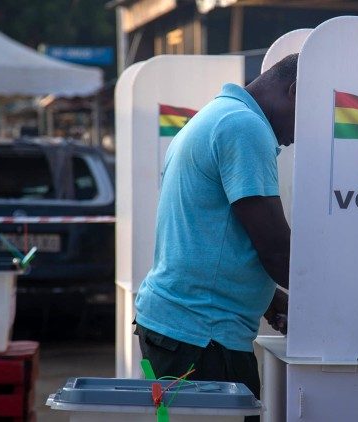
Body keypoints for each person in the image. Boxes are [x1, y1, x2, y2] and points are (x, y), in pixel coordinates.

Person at [134, 54, 297, 419]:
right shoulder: (244, 128)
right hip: (202, 338)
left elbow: (213, 236)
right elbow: (277, 251)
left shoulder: (217, 115)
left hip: (178, 328)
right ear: (295, 91)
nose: (295, 137)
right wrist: (335, 313)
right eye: (306, 116)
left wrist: (268, 298)